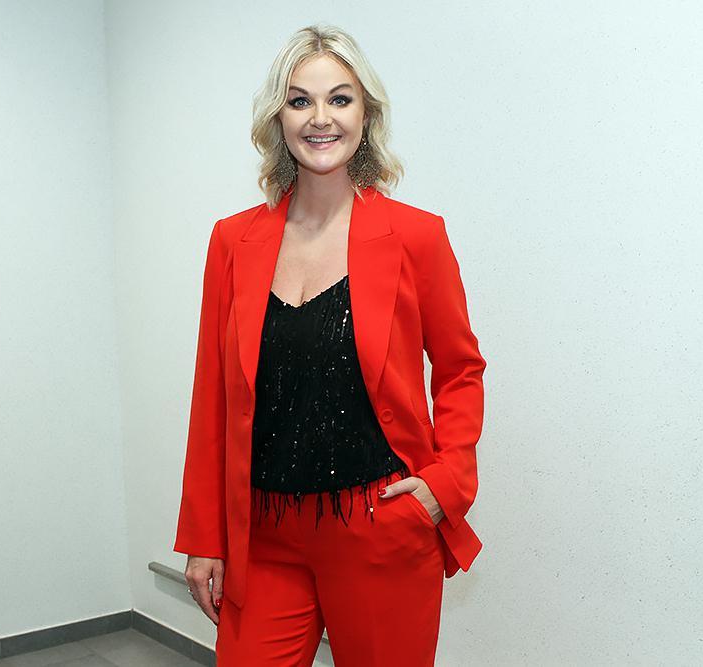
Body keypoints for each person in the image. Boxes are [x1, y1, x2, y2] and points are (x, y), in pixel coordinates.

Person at [173, 22, 487, 666]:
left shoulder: (416, 236)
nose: (320, 118)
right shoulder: (232, 242)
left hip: (381, 526)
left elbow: (460, 369)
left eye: (339, 99)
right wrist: (206, 536)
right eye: (300, 100)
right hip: (263, 536)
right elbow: (212, 397)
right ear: (278, 118)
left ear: (365, 115)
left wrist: (445, 483)